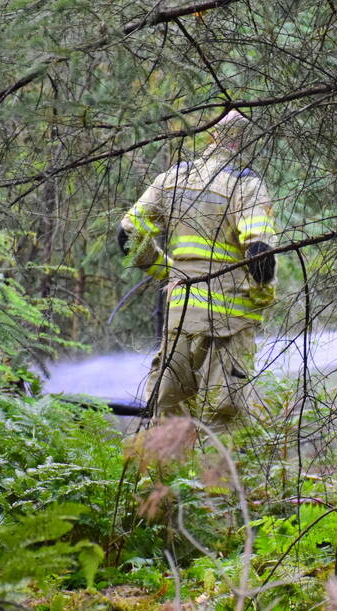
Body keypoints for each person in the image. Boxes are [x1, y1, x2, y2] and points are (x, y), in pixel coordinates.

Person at [117, 110, 278, 427]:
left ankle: (163, 474)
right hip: (230, 322)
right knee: (224, 414)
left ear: (209, 135)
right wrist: (262, 294)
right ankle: (217, 476)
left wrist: (166, 270)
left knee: (168, 409)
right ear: (242, 141)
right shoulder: (246, 186)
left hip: (181, 315)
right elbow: (260, 251)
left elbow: (127, 233)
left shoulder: (173, 179)